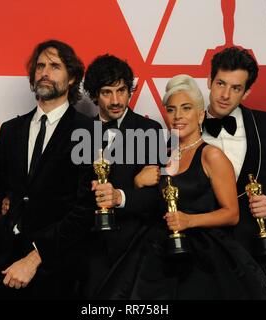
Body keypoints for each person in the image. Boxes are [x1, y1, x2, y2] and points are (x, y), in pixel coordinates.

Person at [95, 74, 266, 299]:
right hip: (158, 253)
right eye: (171, 110)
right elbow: (154, 203)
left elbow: (232, 214)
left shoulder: (212, 155)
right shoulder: (165, 154)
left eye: (186, 108)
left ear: (201, 115)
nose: (178, 116)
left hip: (203, 258)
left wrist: (190, 220)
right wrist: (137, 182)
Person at [0, 39, 94, 299]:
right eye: (40, 66)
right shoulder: (10, 130)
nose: (45, 73)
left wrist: (35, 258)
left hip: (54, 266)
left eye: (54, 66)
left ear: (72, 77)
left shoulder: (88, 132)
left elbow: (85, 211)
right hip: (2, 259)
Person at [202, 46, 266, 299]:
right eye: (220, 83)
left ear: (247, 91)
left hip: (264, 253)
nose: (225, 95)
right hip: (209, 258)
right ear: (209, 81)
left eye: (236, 88)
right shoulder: (185, 128)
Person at [82, 54, 163, 298]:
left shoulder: (151, 131)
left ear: (130, 90)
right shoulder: (79, 132)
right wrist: (136, 182)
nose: (116, 100)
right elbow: (73, 195)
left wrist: (122, 196)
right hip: (90, 251)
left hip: (138, 247)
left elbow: (161, 197)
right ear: (94, 95)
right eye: (107, 92)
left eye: (122, 90)